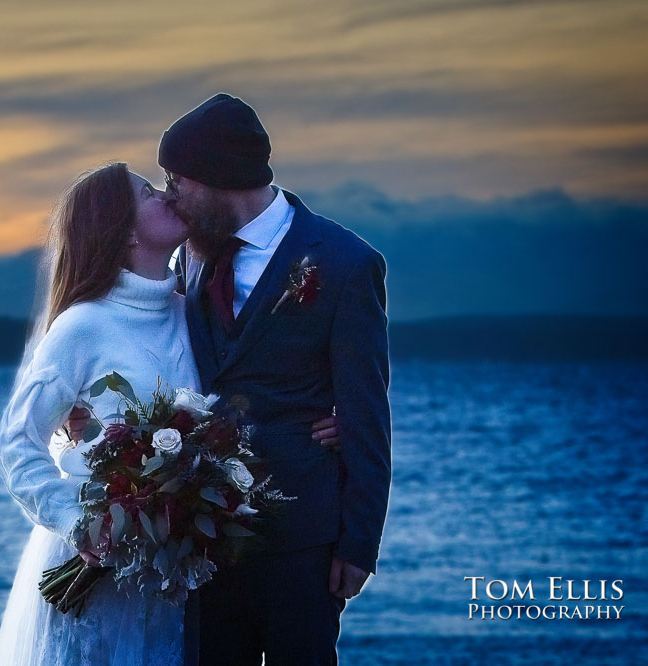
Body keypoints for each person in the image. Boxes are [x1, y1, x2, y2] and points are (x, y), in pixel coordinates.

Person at [0, 162, 340, 665]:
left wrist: (333, 414)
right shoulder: (83, 326)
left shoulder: (192, 311)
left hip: (177, 577)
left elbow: (251, 385)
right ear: (125, 232)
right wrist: (77, 521)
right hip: (101, 570)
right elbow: (17, 443)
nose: (168, 197)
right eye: (148, 193)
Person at [160, 93, 392, 665]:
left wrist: (360, 542)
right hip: (205, 537)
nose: (170, 196)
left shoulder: (344, 263)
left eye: (177, 180)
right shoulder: (188, 256)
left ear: (218, 179)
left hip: (304, 538)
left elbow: (366, 412)